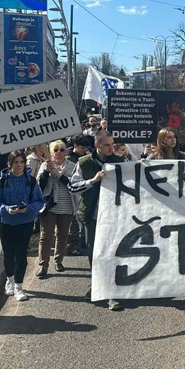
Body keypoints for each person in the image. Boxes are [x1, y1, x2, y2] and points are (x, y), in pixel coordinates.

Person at [68, 130, 126, 310]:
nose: (111, 148)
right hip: (92, 216)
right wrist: (92, 181)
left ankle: (111, 291)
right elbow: (72, 186)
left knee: (113, 252)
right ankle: (98, 284)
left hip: (115, 216)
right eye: (107, 145)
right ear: (97, 145)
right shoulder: (84, 163)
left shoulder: (120, 161)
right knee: (95, 253)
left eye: (112, 144)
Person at [0, 149, 45, 302]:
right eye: (16, 162)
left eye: (22, 162)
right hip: (6, 223)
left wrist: (29, 208)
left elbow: (40, 201)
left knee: (21, 255)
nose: (19, 165)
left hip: (25, 223)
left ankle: (19, 286)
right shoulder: (2, 181)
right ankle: (10, 280)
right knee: (8, 255)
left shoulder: (31, 180)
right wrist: (6, 209)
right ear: (10, 164)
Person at [36, 140, 79, 278]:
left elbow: (74, 184)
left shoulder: (73, 166)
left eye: (62, 150)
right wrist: (46, 173)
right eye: (56, 150)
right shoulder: (45, 164)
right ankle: (43, 265)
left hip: (66, 206)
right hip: (50, 207)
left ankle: (58, 260)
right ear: (51, 152)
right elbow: (39, 185)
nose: (59, 152)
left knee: (62, 235)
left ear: (66, 151)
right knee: (46, 236)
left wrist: (58, 174)